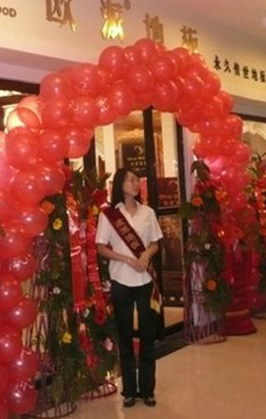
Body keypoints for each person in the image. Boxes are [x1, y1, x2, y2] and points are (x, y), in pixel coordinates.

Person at [96, 167, 163, 408]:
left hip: (144, 281)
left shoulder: (148, 212)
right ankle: (129, 391)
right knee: (124, 337)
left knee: (147, 336)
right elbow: (101, 247)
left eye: (137, 180)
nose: (136, 184)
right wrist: (125, 259)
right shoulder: (109, 215)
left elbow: (155, 242)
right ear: (121, 185)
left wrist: (145, 255)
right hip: (121, 281)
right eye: (131, 180)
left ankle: (147, 389)